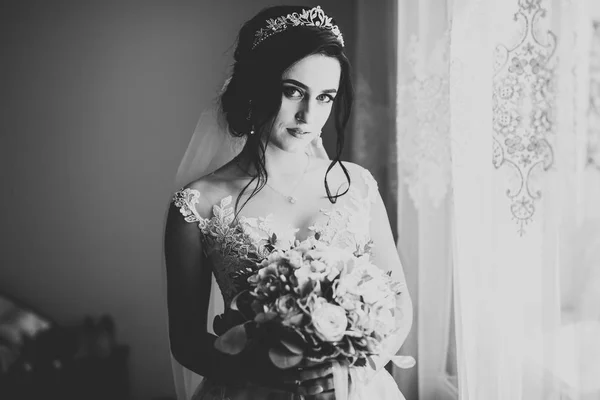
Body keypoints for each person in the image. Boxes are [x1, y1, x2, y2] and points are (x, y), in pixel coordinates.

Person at [163, 5, 413, 400]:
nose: (308, 114)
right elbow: (186, 341)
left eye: (325, 97)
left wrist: (350, 372)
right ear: (256, 85)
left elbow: (399, 305)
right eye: (292, 91)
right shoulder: (198, 204)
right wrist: (259, 371)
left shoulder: (357, 186)